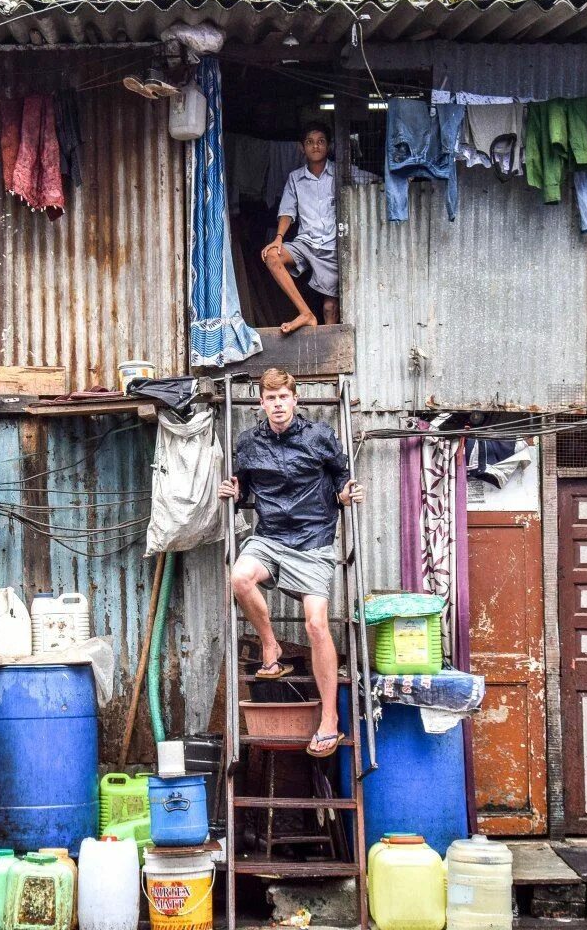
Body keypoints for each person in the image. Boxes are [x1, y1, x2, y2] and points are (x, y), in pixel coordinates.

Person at [217, 368, 364, 758]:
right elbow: (243, 482)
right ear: (261, 403)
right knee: (240, 577)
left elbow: (340, 474)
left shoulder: (319, 436)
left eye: (284, 397)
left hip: (314, 538)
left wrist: (345, 492)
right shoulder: (248, 443)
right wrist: (234, 489)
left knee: (316, 624)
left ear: (295, 399)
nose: (278, 404)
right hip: (270, 537)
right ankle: (271, 649)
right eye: (271, 398)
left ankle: (329, 719)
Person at [260, 123, 339, 335]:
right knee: (272, 256)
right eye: (310, 142)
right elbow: (287, 211)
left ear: (328, 146)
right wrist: (278, 239)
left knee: (330, 308)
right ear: (301, 148)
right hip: (305, 244)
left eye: (321, 141)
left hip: (333, 248)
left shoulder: (341, 174)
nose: (315, 146)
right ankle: (305, 313)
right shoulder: (295, 178)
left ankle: (330, 359)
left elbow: (367, 181)